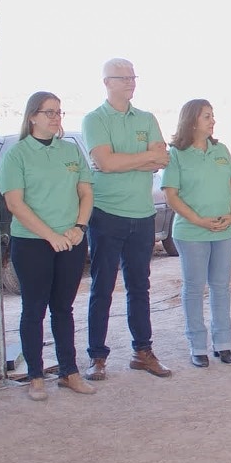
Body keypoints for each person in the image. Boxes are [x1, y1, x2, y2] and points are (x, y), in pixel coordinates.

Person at [0, 92, 97, 400]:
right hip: (32, 244)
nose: (55, 118)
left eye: (58, 112)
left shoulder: (70, 150)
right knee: (34, 309)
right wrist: (50, 236)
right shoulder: (17, 154)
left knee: (63, 309)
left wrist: (80, 227)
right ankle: (36, 376)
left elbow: (86, 193)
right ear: (32, 117)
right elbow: (15, 203)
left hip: (71, 241)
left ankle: (69, 371)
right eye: (49, 112)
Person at [81, 58, 172, 380]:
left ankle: (142, 352)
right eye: (123, 78)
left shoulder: (146, 118)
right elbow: (105, 163)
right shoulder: (94, 119)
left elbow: (161, 160)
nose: (131, 82)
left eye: (133, 76)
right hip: (107, 215)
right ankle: (97, 357)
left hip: (143, 215)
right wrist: (143, 157)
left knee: (139, 287)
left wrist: (125, 160)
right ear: (107, 82)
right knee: (102, 287)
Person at [163, 99, 231, 367]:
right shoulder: (176, 154)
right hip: (191, 233)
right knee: (194, 288)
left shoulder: (221, 150)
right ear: (192, 121)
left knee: (221, 287)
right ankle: (197, 346)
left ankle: (223, 344)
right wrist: (198, 220)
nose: (213, 121)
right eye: (207, 116)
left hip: (224, 231)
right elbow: (171, 195)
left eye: (213, 115)